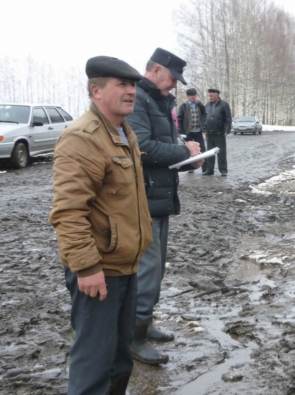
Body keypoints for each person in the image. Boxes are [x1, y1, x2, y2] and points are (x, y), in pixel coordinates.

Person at [50, 56, 152, 395]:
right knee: (94, 364)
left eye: (133, 85)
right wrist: (86, 267)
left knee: (121, 360)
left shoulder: (123, 132)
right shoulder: (83, 138)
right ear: (96, 91)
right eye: (121, 85)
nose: (131, 91)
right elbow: (69, 212)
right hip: (99, 271)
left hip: (125, 264)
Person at [125, 48, 203, 365]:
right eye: (172, 78)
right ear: (156, 70)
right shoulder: (138, 101)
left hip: (159, 198)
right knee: (146, 272)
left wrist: (187, 159)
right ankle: (134, 337)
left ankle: (145, 324)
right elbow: (141, 148)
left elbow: (165, 153)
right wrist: (182, 149)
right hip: (142, 201)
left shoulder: (160, 101)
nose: (174, 85)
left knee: (155, 272)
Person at [177, 88, 207, 174]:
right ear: (188, 96)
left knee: (202, 149)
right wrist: (179, 131)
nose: (193, 97)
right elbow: (179, 118)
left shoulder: (199, 105)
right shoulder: (183, 106)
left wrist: (200, 103)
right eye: (191, 96)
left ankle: (205, 168)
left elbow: (205, 112)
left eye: (194, 95)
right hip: (188, 131)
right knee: (189, 150)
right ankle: (190, 167)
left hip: (198, 131)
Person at [203, 88, 232, 176]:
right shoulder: (207, 105)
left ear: (217, 95)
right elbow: (204, 117)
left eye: (211, 95)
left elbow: (228, 118)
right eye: (209, 95)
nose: (210, 97)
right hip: (209, 132)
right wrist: (204, 129)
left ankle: (223, 170)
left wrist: (227, 130)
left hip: (220, 132)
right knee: (210, 152)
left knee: (221, 152)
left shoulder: (224, 104)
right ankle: (210, 169)